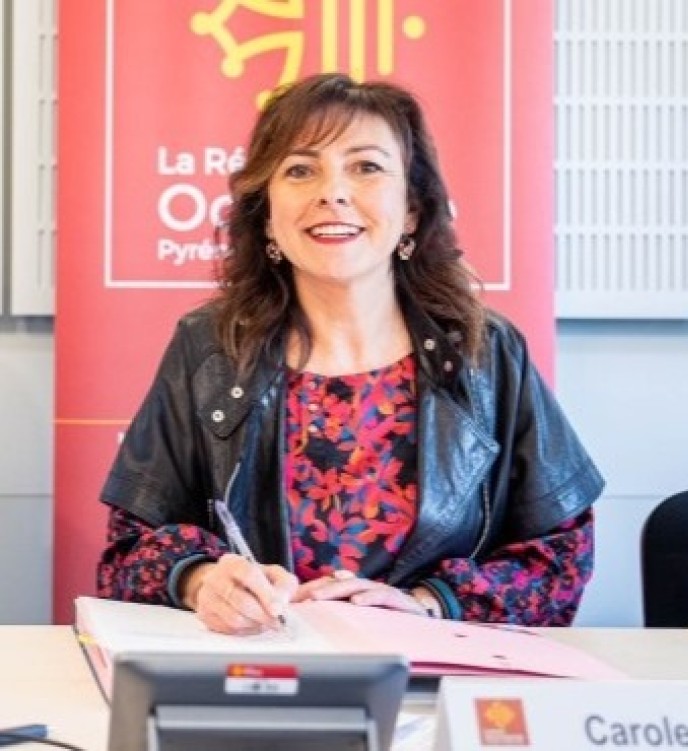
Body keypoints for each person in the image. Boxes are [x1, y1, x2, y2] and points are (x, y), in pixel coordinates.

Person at [97, 73, 604, 634]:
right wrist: (200, 580)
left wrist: (430, 604)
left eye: (366, 167)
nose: (332, 193)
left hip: (431, 672)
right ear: (266, 215)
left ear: (411, 211)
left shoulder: (486, 352)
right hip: (258, 666)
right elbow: (127, 552)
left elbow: (561, 556)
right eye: (300, 170)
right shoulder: (210, 348)